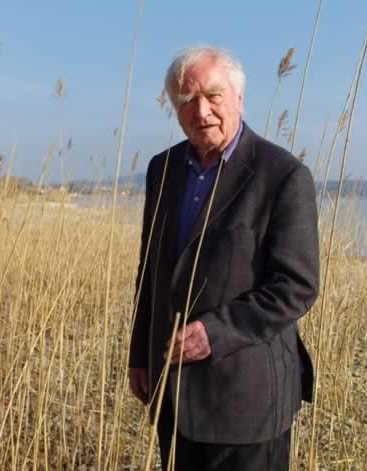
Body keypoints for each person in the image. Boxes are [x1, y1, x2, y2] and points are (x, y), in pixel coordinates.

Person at [128, 46, 319, 471]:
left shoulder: (283, 176)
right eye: (186, 100)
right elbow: (151, 270)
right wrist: (139, 353)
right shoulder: (163, 169)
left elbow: (296, 286)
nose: (201, 111)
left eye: (213, 96)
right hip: (173, 390)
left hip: (246, 401)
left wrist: (215, 333)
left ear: (238, 97)